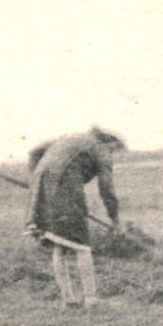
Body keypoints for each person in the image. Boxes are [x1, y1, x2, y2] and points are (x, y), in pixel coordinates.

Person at [25, 127, 125, 307]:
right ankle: (92, 299)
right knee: (82, 245)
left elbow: (36, 153)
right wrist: (115, 219)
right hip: (65, 187)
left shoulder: (73, 137)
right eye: (115, 150)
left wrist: (42, 181)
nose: (113, 154)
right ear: (110, 143)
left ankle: (69, 299)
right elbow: (106, 188)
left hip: (43, 184)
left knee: (60, 243)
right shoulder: (101, 149)